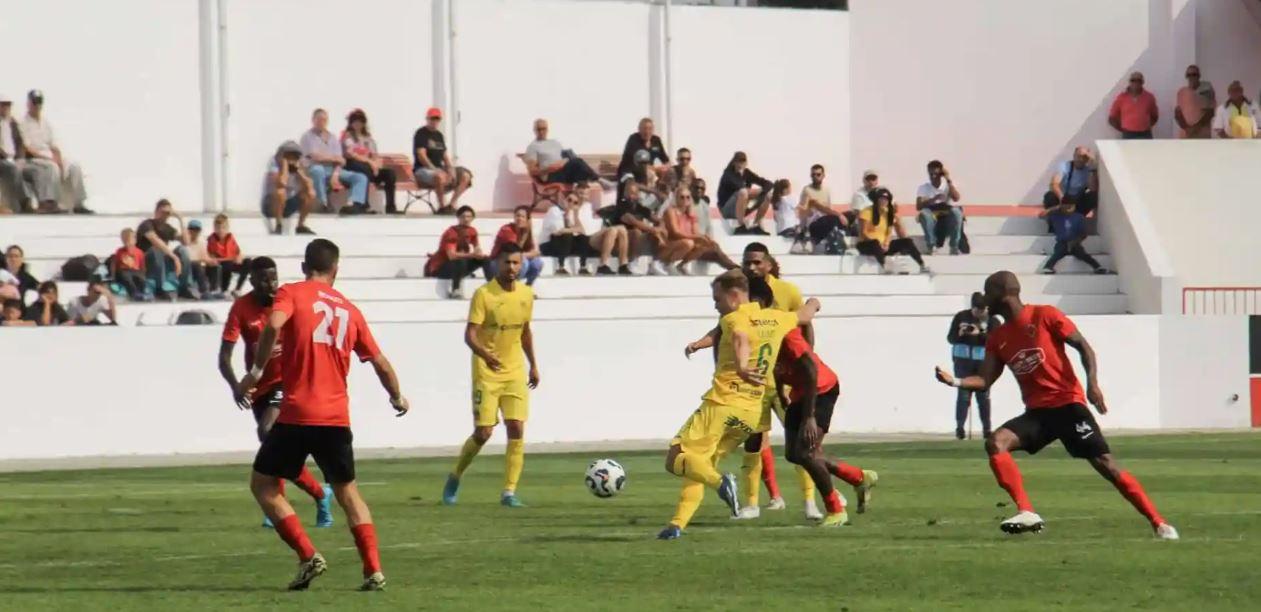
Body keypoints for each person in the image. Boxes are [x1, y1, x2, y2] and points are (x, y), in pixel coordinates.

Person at [933, 271, 1178, 540]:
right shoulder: (997, 336)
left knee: (1106, 465)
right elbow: (985, 380)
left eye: (988, 292)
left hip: (1068, 406)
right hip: (1038, 414)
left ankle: (1159, 523)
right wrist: (954, 381)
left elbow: (1083, 347)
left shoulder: (1045, 315)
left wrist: (1092, 384)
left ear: (1002, 293)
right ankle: (1027, 511)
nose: (984, 299)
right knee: (996, 442)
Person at [236, 239, 410, 591]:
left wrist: (254, 373)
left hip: (298, 412)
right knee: (349, 493)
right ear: (336, 269)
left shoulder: (292, 293)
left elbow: (272, 325)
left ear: (304, 267)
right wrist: (397, 396)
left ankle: (307, 555)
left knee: (264, 485)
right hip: (335, 417)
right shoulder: (349, 309)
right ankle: (373, 570)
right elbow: (379, 362)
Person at [658, 271, 820, 540]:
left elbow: (740, 338)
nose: (715, 305)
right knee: (699, 463)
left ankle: (722, 483)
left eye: (717, 299)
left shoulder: (734, 318)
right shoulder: (776, 317)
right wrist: (814, 302)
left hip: (721, 404)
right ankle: (677, 525)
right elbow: (806, 313)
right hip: (749, 414)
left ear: (734, 296)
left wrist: (743, 366)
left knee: (675, 458)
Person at [219, 256, 334, 529]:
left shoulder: (287, 301)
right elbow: (224, 356)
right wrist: (237, 385)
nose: (270, 284)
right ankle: (318, 495)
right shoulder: (241, 308)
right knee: (273, 447)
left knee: (267, 432)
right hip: (259, 386)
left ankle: (278, 505)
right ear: (252, 281)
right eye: (263, 279)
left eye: (274, 278)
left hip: (289, 381)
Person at [443, 243, 539, 508]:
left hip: (515, 370)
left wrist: (533, 365)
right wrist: (485, 355)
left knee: (516, 427)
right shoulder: (484, 294)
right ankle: (456, 474)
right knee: (484, 432)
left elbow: (526, 332)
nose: (512, 268)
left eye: (516, 263)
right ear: (498, 263)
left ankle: (509, 492)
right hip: (487, 371)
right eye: (507, 262)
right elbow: (470, 334)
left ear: (522, 265)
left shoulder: (526, 295)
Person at [774, 316, 877, 527]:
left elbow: (811, 369)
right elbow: (775, 366)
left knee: (807, 453)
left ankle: (836, 510)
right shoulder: (756, 332)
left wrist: (809, 417)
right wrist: (781, 392)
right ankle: (858, 477)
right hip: (799, 392)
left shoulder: (786, 333)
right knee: (794, 454)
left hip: (821, 389)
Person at [17, 90, 92, 214]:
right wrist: (49, 159)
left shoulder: (45, 122)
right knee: (51, 167)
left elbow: (54, 145)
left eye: (39, 103)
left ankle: (79, 203)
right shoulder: (23, 123)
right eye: (34, 103)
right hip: (33, 158)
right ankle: (51, 203)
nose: (37, 106)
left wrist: (59, 160)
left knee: (74, 166)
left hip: (49, 156)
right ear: (28, 104)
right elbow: (27, 148)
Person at [947, 292, 998, 439]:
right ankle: (960, 428)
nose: (979, 313)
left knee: (983, 398)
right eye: (977, 310)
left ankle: (987, 429)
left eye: (982, 310)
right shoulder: (961, 317)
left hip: (984, 366)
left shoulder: (992, 321)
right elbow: (950, 338)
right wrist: (961, 333)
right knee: (963, 397)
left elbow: (996, 341)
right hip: (963, 364)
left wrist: (980, 334)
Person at [301, 108, 370, 215]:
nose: (321, 122)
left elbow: (341, 160)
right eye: (319, 119)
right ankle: (322, 204)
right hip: (314, 168)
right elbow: (315, 157)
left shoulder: (332, 137)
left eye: (324, 120)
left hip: (332, 170)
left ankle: (354, 205)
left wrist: (336, 174)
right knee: (318, 170)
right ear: (313, 120)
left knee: (361, 177)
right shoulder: (307, 137)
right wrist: (333, 158)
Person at [659, 187, 739, 275]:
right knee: (688, 243)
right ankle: (668, 264)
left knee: (709, 244)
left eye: (688, 197)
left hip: (686, 243)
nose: (685, 199)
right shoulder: (671, 211)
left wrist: (704, 238)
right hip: (670, 244)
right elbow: (676, 232)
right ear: (676, 198)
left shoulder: (691, 213)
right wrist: (698, 237)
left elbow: (696, 232)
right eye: (682, 197)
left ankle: (682, 265)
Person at [523, 118, 614, 190]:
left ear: (547, 129)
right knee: (578, 163)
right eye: (539, 129)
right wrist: (548, 169)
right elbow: (532, 171)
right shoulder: (533, 146)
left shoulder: (555, 142)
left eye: (544, 128)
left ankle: (576, 204)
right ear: (534, 130)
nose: (542, 131)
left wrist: (565, 160)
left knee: (580, 173)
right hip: (550, 175)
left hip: (563, 170)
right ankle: (600, 181)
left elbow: (563, 155)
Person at [413, 107, 472, 215]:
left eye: (437, 119)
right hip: (422, 169)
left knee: (466, 176)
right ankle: (442, 207)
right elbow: (421, 155)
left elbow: (444, 155)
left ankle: (452, 204)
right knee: (439, 176)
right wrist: (435, 169)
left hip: (439, 168)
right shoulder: (421, 133)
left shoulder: (439, 135)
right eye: (432, 118)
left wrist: (451, 169)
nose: (434, 121)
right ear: (427, 119)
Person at [856, 188, 929, 274]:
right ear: (876, 200)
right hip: (867, 244)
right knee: (875, 243)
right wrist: (879, 244)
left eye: (886, 199)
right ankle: (886, 267)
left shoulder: (888, 213)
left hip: (882, 245)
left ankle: (921, 264)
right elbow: (863, 233)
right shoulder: (866, 212)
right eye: (881, 199)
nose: (884, 201)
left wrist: (886, 244)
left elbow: (889, 232)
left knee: (907, 241)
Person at [137, 199, 198, 301]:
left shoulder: (167, 228)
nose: (165, 216)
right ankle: (159, 288)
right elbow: (156, 241)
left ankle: (184, 288)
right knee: (157, 250)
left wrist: (180, 219)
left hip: (163, 261)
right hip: (147, 261)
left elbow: (186, 242)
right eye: (163, 212)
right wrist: (174, 257)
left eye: (168, 213)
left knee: (182, 250)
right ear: (156, 212)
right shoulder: (147, 224)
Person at [341, 109, 398, 215]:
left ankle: (391, 207)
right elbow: (351, 154)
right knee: (365, 169)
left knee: (390, 174)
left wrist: (376, 164)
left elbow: (375, 155)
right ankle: (364, 205)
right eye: (355, 120)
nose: (357, 123)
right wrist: (370, 163)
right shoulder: (347, 136)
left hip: (369, 167)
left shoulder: (368, 138)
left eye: (360, 121)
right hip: (352, 165)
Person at [424, 206, 486, 299]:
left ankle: (495, 286)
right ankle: (455, 290)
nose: (466, 219)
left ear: (473, 218)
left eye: (469, 217)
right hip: (441, 268)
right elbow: (452, 256)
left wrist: (479, 253)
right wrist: (472, 255)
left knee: (486, 259)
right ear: (458, 218)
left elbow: (477, 247)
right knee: (460, 260)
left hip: (459, 266)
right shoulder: (452, 232)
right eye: (463, 217)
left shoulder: (472, 231)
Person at [605, 182, 666, 276]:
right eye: (630, 193)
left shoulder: (640, 208)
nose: (632, 196)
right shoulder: (621, 206)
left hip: (634, 241)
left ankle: (655, 263)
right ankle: (632, 262)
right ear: (625, 194)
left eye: (635, 193)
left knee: (660, 232)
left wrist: (660, 228)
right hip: (618, 239)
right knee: (637, 232)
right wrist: (655, 230)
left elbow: (659, 220)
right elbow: (633, 221)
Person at [1040, 199, 1106, 275]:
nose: (1068, 209)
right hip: (1062, 242)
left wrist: (1075, 241)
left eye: (1070, 207)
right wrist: (1055, 208)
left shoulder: (1078, 217)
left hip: (1074, 242)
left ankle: (1097, 267)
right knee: (1058, 253)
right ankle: (1048, 267)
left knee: (1082, 254)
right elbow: (1041, 215)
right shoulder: (1055, 216)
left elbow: (1083, 233)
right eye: (1066, 206)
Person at [263, 140, 316, 235]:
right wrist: (285, 167)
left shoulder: (299, 164)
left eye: (294, 156)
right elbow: (281, 183)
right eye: (288, 155)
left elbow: (309, 184)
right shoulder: (274, 165)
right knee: (281, 192)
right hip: (272, 205)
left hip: (289, 203)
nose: (291, 159)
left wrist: (298, 171)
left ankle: (300, 225)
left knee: (310, 194)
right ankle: (278, 224)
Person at [717, 151, 773, 235]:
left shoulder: (746, 173)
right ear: (734, 162)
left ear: (746, 163)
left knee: (768, 195)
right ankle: (741, 226)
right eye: (738, 161)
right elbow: (741, 188)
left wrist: (764, 191)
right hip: (727, 209)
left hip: (741, 208)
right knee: (743, 192)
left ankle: (756, 224)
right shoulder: (728, 174)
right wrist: (761, 190)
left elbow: (768, 183)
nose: (740, 164)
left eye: (743, 161)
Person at [539, 192, 594, 275]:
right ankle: (560, 267)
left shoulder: (571, 214)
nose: (571, 203)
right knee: (567, 235)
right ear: (564, 200)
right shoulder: (554, 210)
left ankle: (583, 267)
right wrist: (574, 229)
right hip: (548, 245)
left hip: (563, 246)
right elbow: (558, 231)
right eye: (569, 200)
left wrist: (576, 215)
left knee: (583, 238)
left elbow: (582, 231)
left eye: (575, 202)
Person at [793, 164, 844, 254]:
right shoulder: (807, 190)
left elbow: (829, 209)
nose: (815, 177)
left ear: (823, 175)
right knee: (835, 218)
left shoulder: (827, 190)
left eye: (818, 174)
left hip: (826, 222)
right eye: (813, 175)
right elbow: (806, 210)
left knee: (849, 216)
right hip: (813, 224)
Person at [915, 160, 963, 255]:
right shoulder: (924, 187)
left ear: (941, 174)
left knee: (957, 212)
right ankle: (931, 245)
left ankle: (954, 246)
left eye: (936, 174)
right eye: (931, 174)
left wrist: (948, 179)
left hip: (945, 212)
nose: (933, 176)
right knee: (924, 214)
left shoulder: (947, 186)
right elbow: (919, 206)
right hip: (931, 212)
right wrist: (933, 199)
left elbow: (956, 198)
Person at [489, 206, 544, 286]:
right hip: (498, 263)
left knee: (537, 263)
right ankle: (513, 287)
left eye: (523, 216)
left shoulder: (526, 231)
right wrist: (524, 237)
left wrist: (527, 233)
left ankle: (528, 287)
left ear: (527, 219)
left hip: (511, 264)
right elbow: (513, 253)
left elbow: (534, 251)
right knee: (523, 262)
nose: (519, 218)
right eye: (517, 216)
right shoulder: (507, 230)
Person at [1043, 146, 1098, 221]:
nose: (1080, 159)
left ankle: (1077, 217)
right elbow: (1054, 184)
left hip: (1078, 200)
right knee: (1050, 196)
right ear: (1074, 156)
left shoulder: (1088, 170)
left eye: (1084, 157)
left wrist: (1092, 168)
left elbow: (1093, 188)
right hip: (1062, 198)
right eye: (1078, 156)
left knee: (1093, 196)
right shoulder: (1064, 166)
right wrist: (1063, 199)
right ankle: (1054, 220)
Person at [207, 214, 251, 297]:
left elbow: (238, 252)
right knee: (227, 264)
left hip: (231, 262)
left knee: (248, 262)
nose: (220, 230)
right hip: (221, 264)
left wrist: (239, 258)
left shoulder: (230, 238)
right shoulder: (212, 240)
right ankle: (224, 289)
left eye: (223, 228)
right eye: (218, 228)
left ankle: (237, 289)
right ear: (214, 228)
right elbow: (211, 256)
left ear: (227, 228)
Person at [1108, 72, 1159, 139]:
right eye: (1133, 80)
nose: (1136, 83)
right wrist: (1122, 129)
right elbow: (1112, 118)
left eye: (1139, 81)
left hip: (1145, 134)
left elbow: (1155, 116)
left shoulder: (1149, 97)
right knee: (1128, 150)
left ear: (1142, 82)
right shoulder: (1122, 97)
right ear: (1129, 82)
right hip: (1128, 134)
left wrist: (1145, 126)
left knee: (1147, 150)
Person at [0, 94, 27, 213]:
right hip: (2, 159)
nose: (6, 107)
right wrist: (5, 155)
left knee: (37, 168)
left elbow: (20, 142)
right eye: (3, 105)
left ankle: (45, 202)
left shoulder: (13, 122)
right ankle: (23, 202)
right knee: (11, 168)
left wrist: (20, 157)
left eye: (8, 105)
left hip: (14, 158)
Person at [1174, 65, 1215, 139]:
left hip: (1202, 135)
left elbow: (1210, 112)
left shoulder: (1206, 89)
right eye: (1189, 75)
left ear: (1199, 76)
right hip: (1186, 135)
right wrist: (1187, 128)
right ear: (1186, 76)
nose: (1191, 77)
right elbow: (1178, 114)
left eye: (1194, 74)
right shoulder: (1182, 92)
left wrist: (1195, 129)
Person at [185, 219, 221, 299]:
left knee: (214, 265)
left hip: (201, 267)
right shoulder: (185, 243)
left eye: (197, 229)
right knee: (196, 265)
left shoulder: (202, 243)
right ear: (188, 230)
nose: (195, 232)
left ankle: (214, 290)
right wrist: (203, 260)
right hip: (189, 269)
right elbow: (188, 260)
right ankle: (204, 291)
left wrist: (211, 261)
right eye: (192, 229)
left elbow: (205, 257)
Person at [111, 229, 149, 301]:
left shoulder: (139, 252)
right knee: (127, 277)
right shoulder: (120, 251)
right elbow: (115, 264)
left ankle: (143, 292)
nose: (130, 242)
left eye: (133, 238)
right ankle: (134, 293)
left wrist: (143, 274)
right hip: (124, 270)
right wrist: (113, 277)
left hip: (136, 271)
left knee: (141, 279)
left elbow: (142, 265)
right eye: (127, 240)